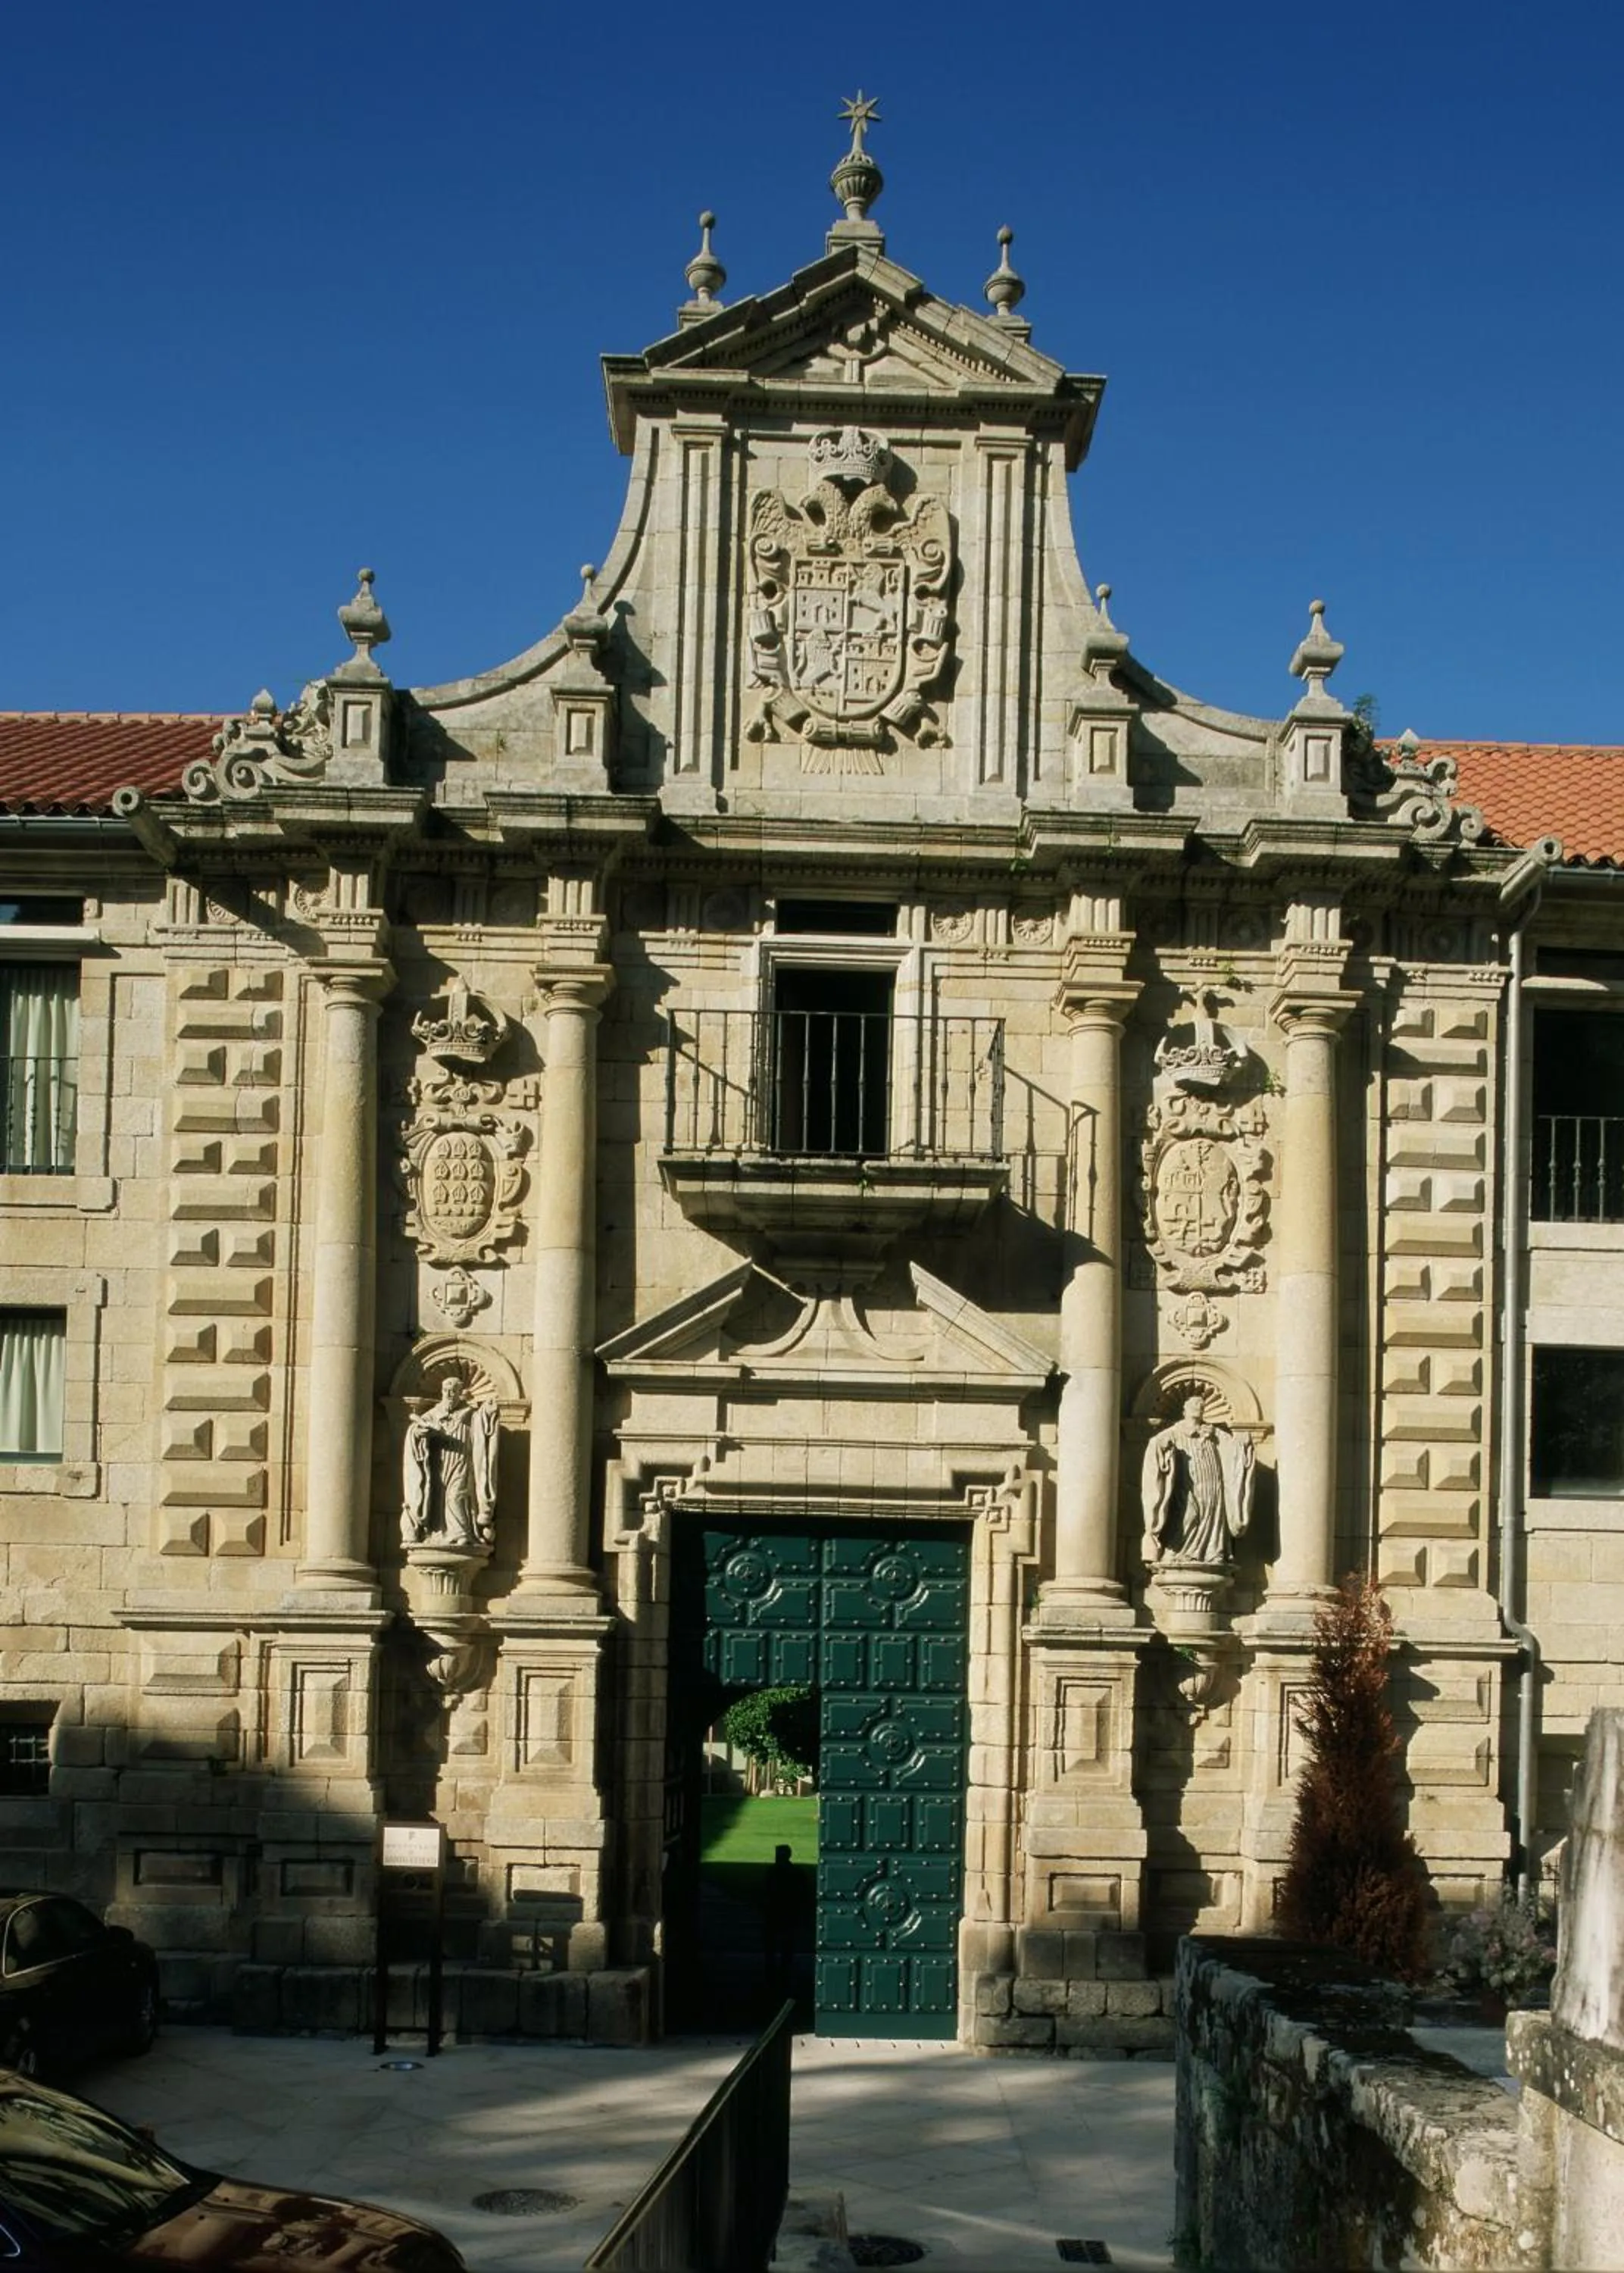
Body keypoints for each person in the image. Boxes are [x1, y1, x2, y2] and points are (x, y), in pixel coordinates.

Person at [1141, 1393, 1254, 1566]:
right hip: (1187, 1482)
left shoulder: (1213, 1433)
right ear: (1184, 1409)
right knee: (1187, 1514)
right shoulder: (1174, 1432)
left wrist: (1242, 1443)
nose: (1198, 1407)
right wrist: (1164, 1448)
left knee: (1212, 1511)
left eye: (1201, 1405)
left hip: (1212, 1481)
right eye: (1194, 1404)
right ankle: (1177, 1551)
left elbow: (1234, 1450)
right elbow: (1157, 1444)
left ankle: (1213, 1552)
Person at [401, 1377, 498, 1549]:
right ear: (441, 1392)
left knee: (456, 1495)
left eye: (454, 1390)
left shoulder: (469, 1413)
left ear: (460, 1393)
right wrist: (419, 1433)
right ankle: (437, 1532)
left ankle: (461, 1534)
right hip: (438, 1462)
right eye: (446, 1390)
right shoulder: (432, 1414)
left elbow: (481, 1426)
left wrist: (488, 1413)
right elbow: (415, 1432)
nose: (449, 1394)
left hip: (462, 1460)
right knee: (438, 1496)